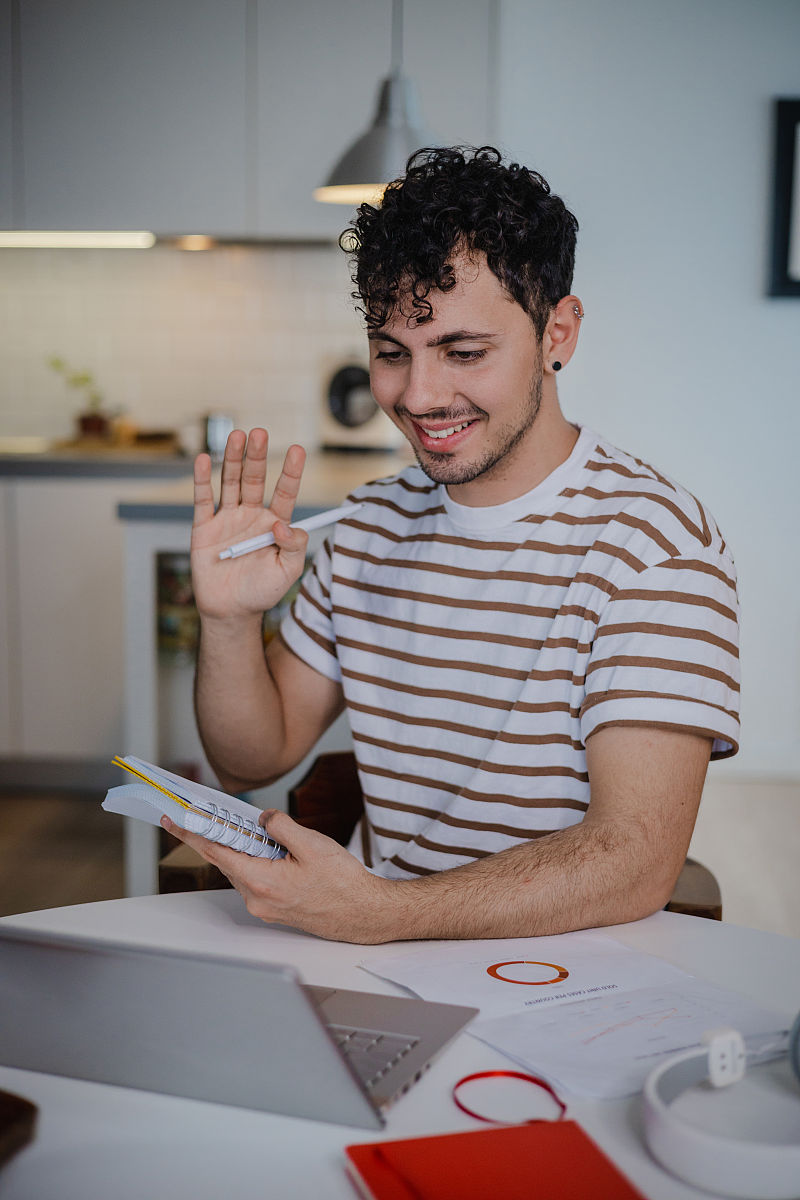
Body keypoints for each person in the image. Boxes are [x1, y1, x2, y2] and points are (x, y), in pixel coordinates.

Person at [163, 146, 740, 944]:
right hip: (369, 957)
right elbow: (252, 763)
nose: (419, 397)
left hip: (564, 976)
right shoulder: (366, 526)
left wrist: (382, 913)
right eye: (392, 353)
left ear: (557, 331)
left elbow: (633, 857)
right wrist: (225, 622)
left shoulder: (655, 547)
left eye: (464, 352)